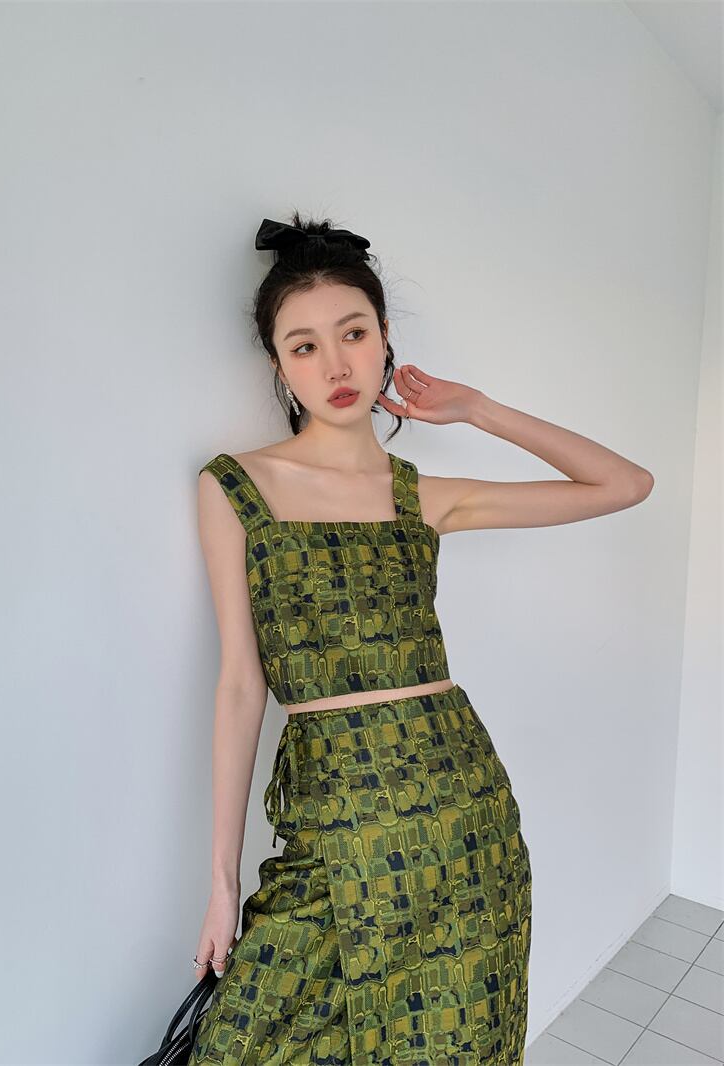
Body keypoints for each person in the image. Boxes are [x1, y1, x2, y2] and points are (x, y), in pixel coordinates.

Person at [188, 213, 654, 1065]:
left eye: (354, 334)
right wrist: (221, 884)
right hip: (335, 814)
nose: (336, 367)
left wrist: (478, 410)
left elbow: (625, 484)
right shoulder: (236, 487)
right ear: (279, 367)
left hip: (463, 816)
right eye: (304, 347)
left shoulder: (424, 497)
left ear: (384, 340)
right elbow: (241, 686)